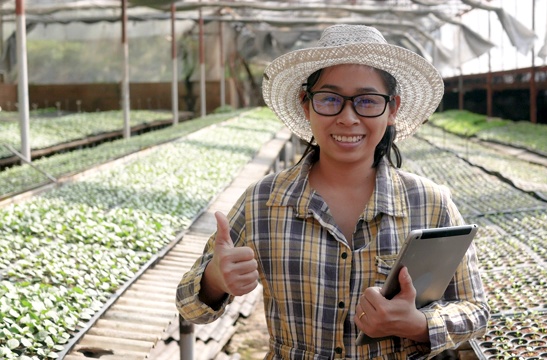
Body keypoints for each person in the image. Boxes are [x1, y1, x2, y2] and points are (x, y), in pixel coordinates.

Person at [176, 24, 489, 359]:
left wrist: (416, 323)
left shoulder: (429, 203)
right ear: (306, 104)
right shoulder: (263, 202)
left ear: (393, 109)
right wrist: (214, 280)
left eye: (367, 101)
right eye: (330, 99)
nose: (348, 118)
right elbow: (189, 307)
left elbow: (475, 310)